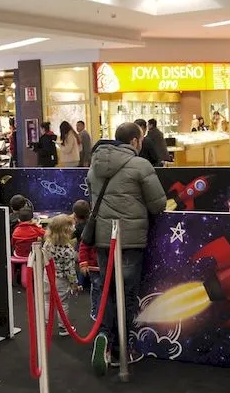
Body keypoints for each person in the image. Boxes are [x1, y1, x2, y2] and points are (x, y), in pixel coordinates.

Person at [88, 122, 166, 375]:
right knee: (126, 295)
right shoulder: (141, 165)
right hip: (130, 241)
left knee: (107, 291)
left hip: (103, 239)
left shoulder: (95, 164)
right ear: (134, 141)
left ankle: (104, 337)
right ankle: (121, 349)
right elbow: (158, 204)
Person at [42, 214, 79, 337]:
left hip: (47, 276)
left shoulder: (47, 243)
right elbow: (70, 270)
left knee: (47, 301)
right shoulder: (68, 250)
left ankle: (47, 324)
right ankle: (64, 328)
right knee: (62, 304)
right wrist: (74, 284)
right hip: (61, 280)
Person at [74, 199, 100, 320]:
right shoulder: (90, 225)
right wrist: (83, 262)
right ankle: (95, 311)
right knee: (96, 288)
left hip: (98, 262)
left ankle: (80, 283)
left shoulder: (86, 224)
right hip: (92, 263)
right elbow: (83, 246)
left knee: (100, 288)